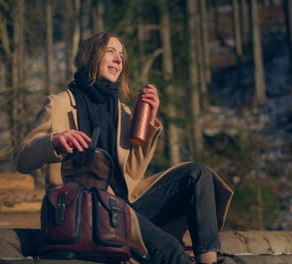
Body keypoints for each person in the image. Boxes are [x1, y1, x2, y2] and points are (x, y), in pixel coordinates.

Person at [13, 32, 233, 264]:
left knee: (197, 173)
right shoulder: (59, 104)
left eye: (121, 55)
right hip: (88, 212)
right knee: (171, 251)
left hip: (126, 207)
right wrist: (54, 141)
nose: (119, 59)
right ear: (91, 55)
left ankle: (209, 260)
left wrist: (148, 122)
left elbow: (135, 172)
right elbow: (21, 159)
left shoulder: (123, 112)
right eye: (110, 51)